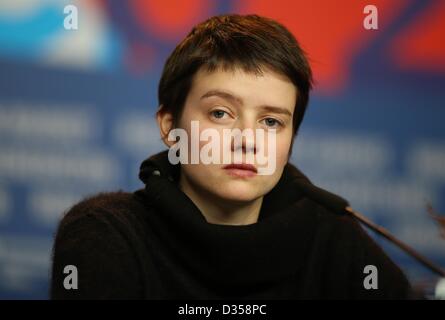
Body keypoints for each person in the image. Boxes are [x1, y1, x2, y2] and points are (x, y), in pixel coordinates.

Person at [50, 14, 412, 299]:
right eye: (221, 113)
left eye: (271, 122)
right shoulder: (107, 234)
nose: (247, 141)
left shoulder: (333, 235)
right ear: (168, 124)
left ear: (291, 140)